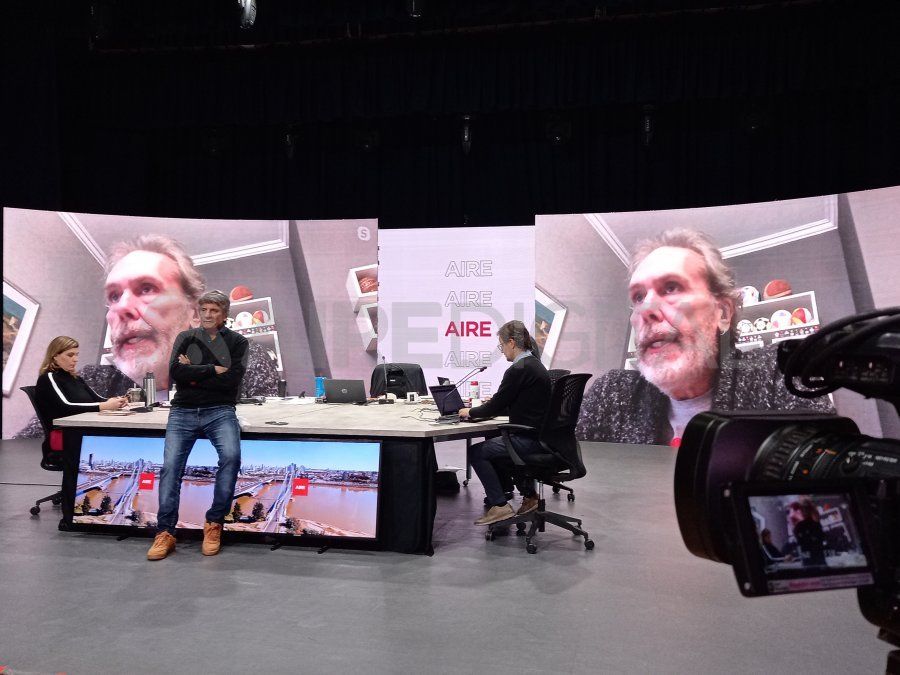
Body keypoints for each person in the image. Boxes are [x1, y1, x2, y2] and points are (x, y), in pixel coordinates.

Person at [576, 228, 834, 445]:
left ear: (722, 312)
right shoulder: (612, 393)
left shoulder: (778, 373)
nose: (646, 311)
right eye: (639, 297)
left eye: (671, 287)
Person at [14, 234, 278, 438]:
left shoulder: (241, 355)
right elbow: (37, 436)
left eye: (147, 288)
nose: (121, 308)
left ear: (195, 313)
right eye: (114, 297)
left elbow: (262, 434)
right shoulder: (94, 377)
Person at [146, 290, 248, 561]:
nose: (207, 315)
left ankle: (214, 523)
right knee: (170, 468)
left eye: (214, 310)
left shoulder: (238, 342)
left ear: (224, 314)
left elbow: (232, 380)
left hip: (220, 409)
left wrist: (195, 370)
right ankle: (165, 532)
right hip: (183, 411)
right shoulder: (185, 338)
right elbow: (176, 374)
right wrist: (213, 368)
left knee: (231, 457)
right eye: (203, 310)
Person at [460, 320, 552, 526]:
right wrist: (493, 404)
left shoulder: (519, 369)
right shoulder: (535, 365)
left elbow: (495, 407)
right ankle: (529, 497)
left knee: (476, 453)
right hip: (543, 438)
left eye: (501, 345)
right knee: (494, 439)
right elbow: (509, 402)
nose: (502, 351)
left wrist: (469, 411)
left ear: (512, 342)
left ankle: (499, 505)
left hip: (528, 440)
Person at [35, 336, 128, 424]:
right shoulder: (48, 377)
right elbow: (65, 407)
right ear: (55, 356)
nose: (75, 359)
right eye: (70, 355)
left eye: (76, 355)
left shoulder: (76, 378)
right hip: (64, 433)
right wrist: (104, 406)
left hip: (82, 427)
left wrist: (117, 401)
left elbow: (97, 399)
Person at [792, 499, 827, 567]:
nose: (803, 511)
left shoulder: (800, 526)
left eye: (805, 509)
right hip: (814, 560)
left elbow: (799, 543)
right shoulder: (800, 526)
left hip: (814, 560)